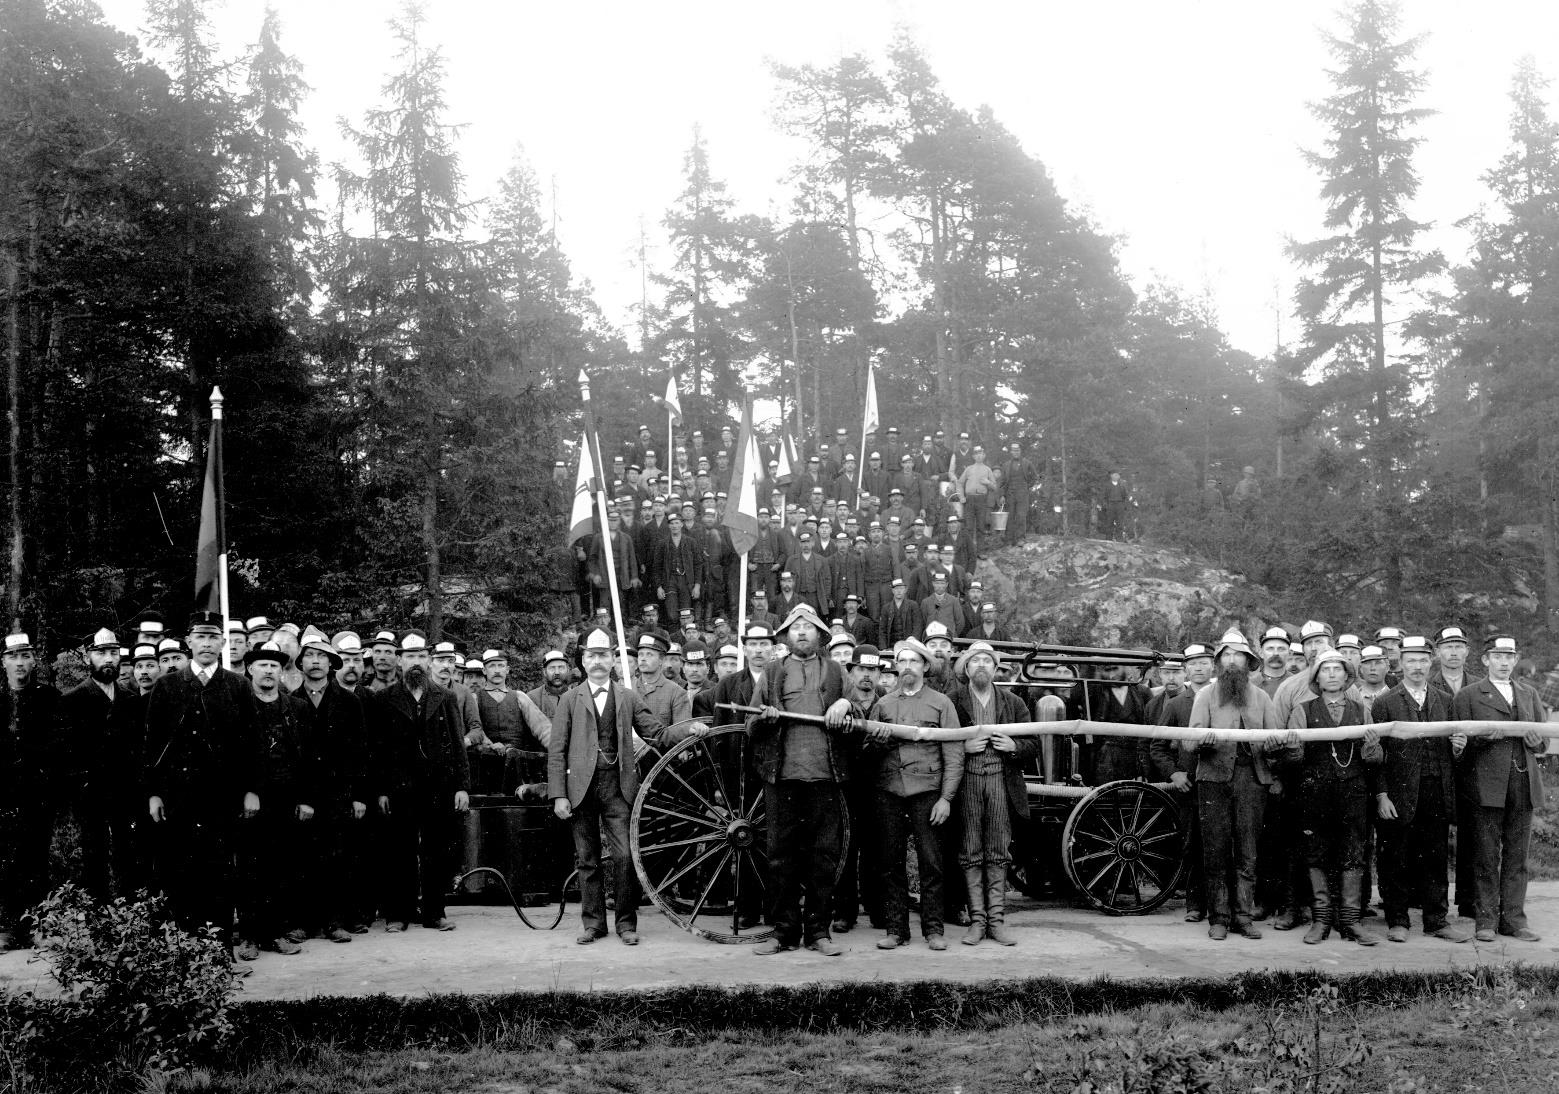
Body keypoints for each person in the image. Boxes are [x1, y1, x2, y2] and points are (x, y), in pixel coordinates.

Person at [549, 629, 689, 945]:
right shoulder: (570, 699)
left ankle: (626, 924)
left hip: (618, 787)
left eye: (603, 655)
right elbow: (557, 750)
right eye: (591, 656)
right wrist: (558, 794)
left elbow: (658, 733)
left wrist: (688, 730)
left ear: (613, 659)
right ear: (583, 661)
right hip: (580, 789)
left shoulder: (627, 697)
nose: (598, 662)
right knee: (588, 859)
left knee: (625, 856)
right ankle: (594, 925)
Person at [144, 613, 261, 966]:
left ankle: (220, 954)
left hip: (222, 797)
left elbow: (252, 743)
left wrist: (251, 790)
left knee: (221, 873)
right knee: (182, 873)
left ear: (223, 644)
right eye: (201, 637)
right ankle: (186, 956)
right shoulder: (168, 686)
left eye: (214, 637)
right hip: (180, 797)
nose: (207, 644)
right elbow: (152, 744)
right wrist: (153, 793)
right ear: (189, 643)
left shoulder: (236, 685)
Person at [750, 605, 854, 957]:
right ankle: (784, 932)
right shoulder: (773, 672)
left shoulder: (838, 672)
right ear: (786, 637)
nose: (802, 632)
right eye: (796, 628)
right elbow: (751, 727)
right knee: (781, 857)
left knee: (824, 856)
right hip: (782, 778)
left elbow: (863, 712)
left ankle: (818, 932)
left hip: (826, 777)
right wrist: (766, 719)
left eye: (809, 627)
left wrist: (844, 705)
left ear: (821, 636)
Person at [862, 638, 963, 951]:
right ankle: (896, 930)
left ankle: (933, 931)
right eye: (902, 661)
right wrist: (878, 742)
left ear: (924, 667)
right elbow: (867, 752)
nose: (907, 667)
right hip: (889, 791)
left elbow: (954, 752)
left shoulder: (941, 703)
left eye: (913, 662)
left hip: (928, 793)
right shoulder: (883, 704)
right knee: (889, 863)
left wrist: (946, 798)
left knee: (931, 862)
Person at [367, 632, 470, 933]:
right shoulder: (384, 699)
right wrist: (382, 790)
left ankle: (434, 913)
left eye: (421, 656)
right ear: (399, 660)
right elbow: (378, 750)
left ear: (428, 661)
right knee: (399, 850)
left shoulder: (445, 697)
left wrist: (462, 786)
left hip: (437, 788)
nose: (416, 662)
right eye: (410, 656)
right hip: (399, 788)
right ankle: (398, 913)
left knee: (436, 851)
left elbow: (457, 744)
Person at [1369, 636, 1470, 944]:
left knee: (1436, 858)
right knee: (1395, 856)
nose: (1416, 666)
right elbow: (1376, 756)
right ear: (1400, 664)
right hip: (1398, 793)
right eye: (1410, 660)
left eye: (1422, 660)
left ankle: (1436, 920)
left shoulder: (1444, 699)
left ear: (1431, 663)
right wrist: (1382, 795)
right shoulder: (1385, 702)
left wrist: (1458, 748)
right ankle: (1398, 920)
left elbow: (1455, 748)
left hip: (1436, 790)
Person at [1450, 634, 1547, 943]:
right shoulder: (1468, 695)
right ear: (1485, 660)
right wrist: (1481, 738)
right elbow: (1457, 746)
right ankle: (1486, 920)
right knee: (1485, 855)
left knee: (1518, 858)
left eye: (1509, 656)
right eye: (1497, 656)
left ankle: (1514, 921)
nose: (1504, 662)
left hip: (1523, 784)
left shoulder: (1529, 693)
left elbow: (1543, 741)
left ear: (1516, 660)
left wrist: (1536, 743)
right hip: (1486, 786)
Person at [1188, 630, 1284, 941]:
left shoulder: (1262, 697)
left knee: (1248, 851)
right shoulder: (1206, 695)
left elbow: (1276, 741)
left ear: (1247, 662)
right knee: (1215, 850)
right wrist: (1204, 740)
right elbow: (1191, 740)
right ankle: (1218, 918)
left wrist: (1272, 744)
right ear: (1219, 662)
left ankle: (1243, 917)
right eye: (1226, 655)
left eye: (1237, 655)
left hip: (1251, 780)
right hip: (1213, 779)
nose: (1232, 661)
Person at [1285, 650, 1381, 947]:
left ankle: (1351, 921)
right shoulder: (1302, 710)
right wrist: (1293, 748)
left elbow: (1374, 759)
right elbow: (1292, 761)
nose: (1331, 674)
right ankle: (1321, 919)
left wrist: (1372, 747)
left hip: (1352, 791)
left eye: (1337, 669)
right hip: (1315, 793)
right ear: (1317, 677)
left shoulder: (1361, 709)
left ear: (1346, 676)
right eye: (1325, 669)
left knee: (1353, 852)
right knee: (1316, 852)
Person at [950, 642, 1036, 946]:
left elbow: (1032, 743)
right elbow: (940, 745)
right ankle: (977, 921)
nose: (982, 665)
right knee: (971, 849)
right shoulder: (953, 701)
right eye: (975, 661)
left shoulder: (1013, 702)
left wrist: (1014, 747)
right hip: (968, 781)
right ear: (966, 669)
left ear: (996, 667)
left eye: (988, 660)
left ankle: (997, 922)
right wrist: (963, 747)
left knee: (999, 850)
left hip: (1001, 779)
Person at [292, 633, 370, 940]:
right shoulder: (291, 699)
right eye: (309, 655)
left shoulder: (349, 702)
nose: (315, 661)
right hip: (304, 795)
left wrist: (359, 795)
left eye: (321, 656)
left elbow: (361, 751)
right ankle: (304, 922)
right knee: (303, 857)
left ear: (330, 663)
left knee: (338, 856)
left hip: (339, 793)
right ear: (301, 663)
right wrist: (300, 796)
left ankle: (336, 922)